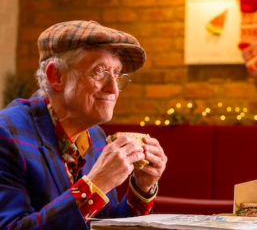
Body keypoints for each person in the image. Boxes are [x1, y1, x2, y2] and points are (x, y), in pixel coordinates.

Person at [0, 20, 168, 230]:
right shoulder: (6, 134)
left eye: (116, 74)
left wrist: (142, 189)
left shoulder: (95, 136)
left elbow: (103, 225)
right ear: (57, 77)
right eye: (99, 71)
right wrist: (94, 186)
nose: (114, 89)